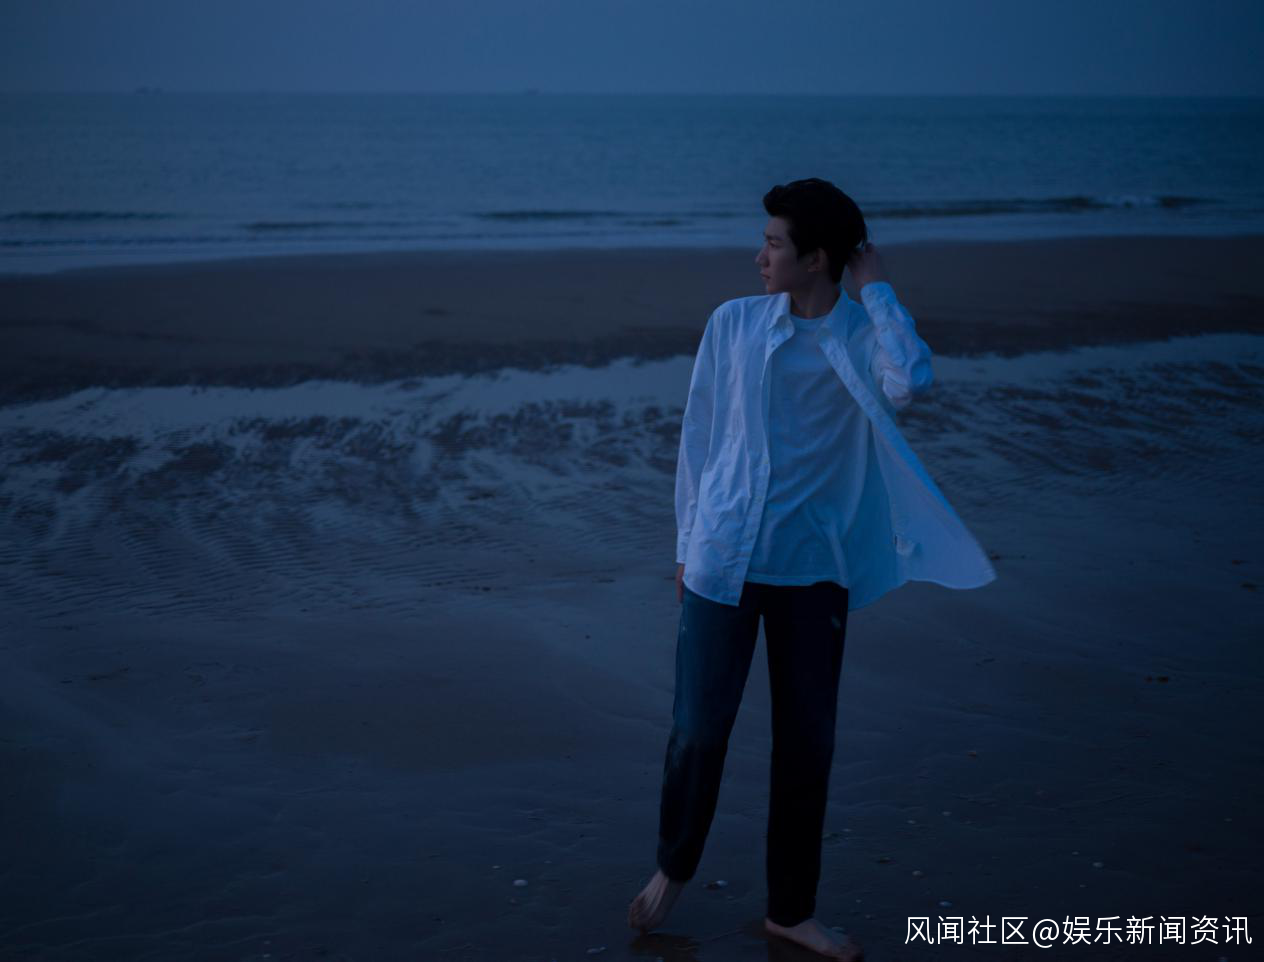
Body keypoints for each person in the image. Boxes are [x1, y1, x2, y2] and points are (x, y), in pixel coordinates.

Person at [627, 178, 996, 960]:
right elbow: (699, 437)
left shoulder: (860, 335)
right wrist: (687, 544)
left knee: (806, 746)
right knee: (698, 729)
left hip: (813, 568)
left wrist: (877, 287)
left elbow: (911, 380)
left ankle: (791, 912)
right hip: (724, 559)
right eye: (763, 241)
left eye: (773, 244)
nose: (758, 255)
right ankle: (674, 865)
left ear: (817, 258)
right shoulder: (733, 323)